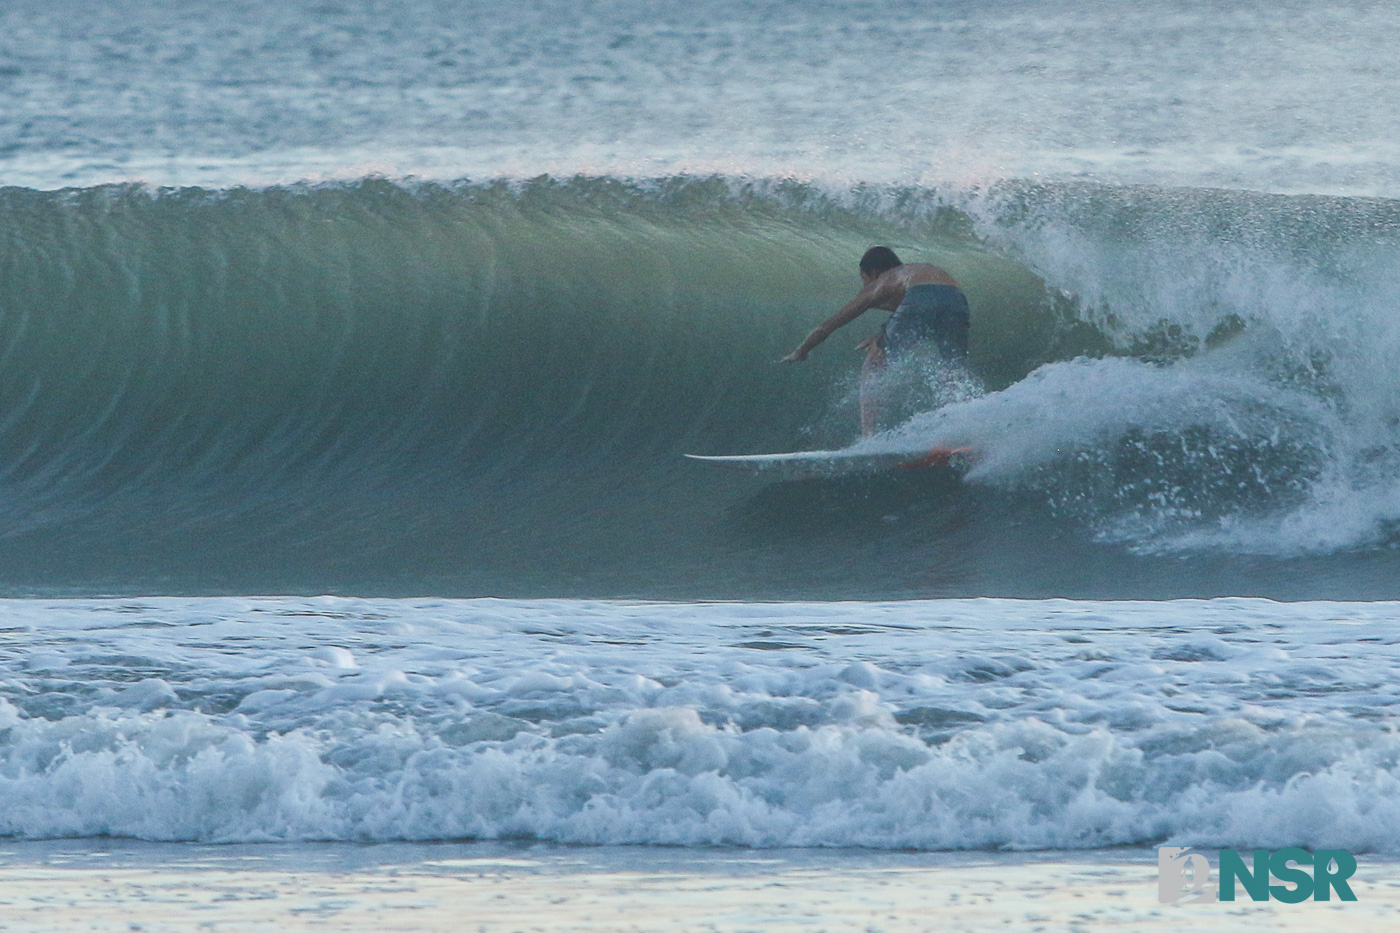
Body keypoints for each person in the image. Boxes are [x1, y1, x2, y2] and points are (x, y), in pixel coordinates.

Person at [781, 246, 970, 436]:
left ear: (873, 272)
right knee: (951, 367)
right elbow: (916, 312)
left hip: (920, 296)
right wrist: (881, 336)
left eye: (863, 279)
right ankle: (960, 424)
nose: (864, 286)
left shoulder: (881, 281)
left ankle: (868, 436)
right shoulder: (917, 271)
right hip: (957, 299)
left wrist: (802, 350)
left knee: (873, 362)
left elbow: (828, 326)